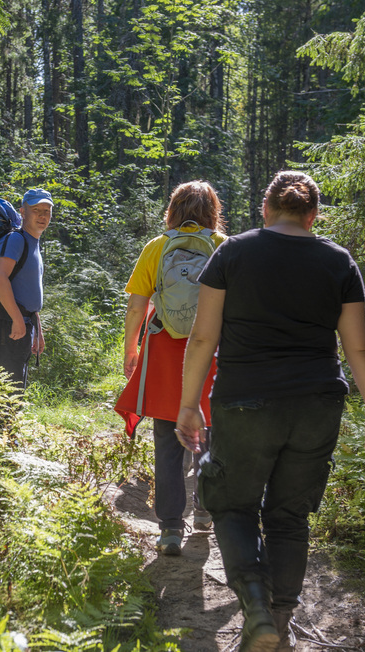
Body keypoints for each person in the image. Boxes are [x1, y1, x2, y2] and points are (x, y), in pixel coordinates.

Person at [175, 171, 365, 652]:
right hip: (317, 403)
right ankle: (282, 618)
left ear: (265, 208)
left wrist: (188, 405)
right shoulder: (338, 260)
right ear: (313, 215)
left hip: (245, 399)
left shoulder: (232, 252)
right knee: (290, 515)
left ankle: (255, 608)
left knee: (232, 504)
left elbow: (204, 337)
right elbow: (359, 346)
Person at [114, 181, 228, 556]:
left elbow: (136, 306)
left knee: (167, 438)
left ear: (173, 210)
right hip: (211, 351)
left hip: (164, 351)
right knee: (208, 430)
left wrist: (131, 348)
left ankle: (170, 529)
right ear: (213, 211)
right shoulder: (223, 247)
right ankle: (206, 510)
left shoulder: (157, 247)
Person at [0, 188, 52, 389]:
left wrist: (37, 330)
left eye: (46, 211)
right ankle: (4, 422)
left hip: (23, 321)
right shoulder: (16, 240)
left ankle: (10, 422)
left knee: (16, 386)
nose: (42, 215)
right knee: (7, 389)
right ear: (22, 212)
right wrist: (17, 320)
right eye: (35, 210)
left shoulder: (33, 242)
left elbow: (28, 289)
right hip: (7, 321)